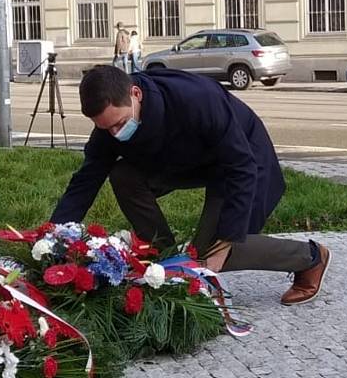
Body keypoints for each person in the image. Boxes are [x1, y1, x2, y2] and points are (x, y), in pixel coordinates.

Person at [50, 65, 331, 306]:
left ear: (135, 94)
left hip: (240, 160)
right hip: (185, 161)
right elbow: (86, 180)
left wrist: (225, 242)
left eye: (120, 124)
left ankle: (310, 257)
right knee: (122, 173)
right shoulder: (111, 122)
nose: (115, 134)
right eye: (106, 128)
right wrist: (52, 235)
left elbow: (240, 167)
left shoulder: (197, 99)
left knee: (213, 252)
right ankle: (167, 258)